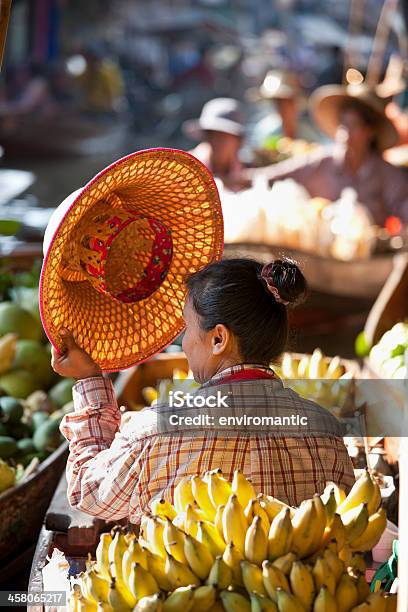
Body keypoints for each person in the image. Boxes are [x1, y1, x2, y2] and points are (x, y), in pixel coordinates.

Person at [52, 257, 354, 522]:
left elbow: (87, 491)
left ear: (218, 339)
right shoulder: (325, 431)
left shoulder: (156, 429)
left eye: (187, 329)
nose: (184, 344)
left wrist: (89, 380)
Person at [251, 83, 408, 226]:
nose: (345, 133)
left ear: (370, 131)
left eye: (353, 125)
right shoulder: (321, 162)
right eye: (343, 124)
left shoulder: (386, 174)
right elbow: (271, 176)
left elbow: (403, 206)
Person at [183, 98, 246, 192]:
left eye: (224, 136)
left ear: (237, 141)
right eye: (212, 134)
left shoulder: (244, 172)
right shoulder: (185, 168)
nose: (216, 141)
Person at [250, 71, 322, 146]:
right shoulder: (266, 130)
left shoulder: (307, 129)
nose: (284, 107)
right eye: (279, 102)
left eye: (288, 102)